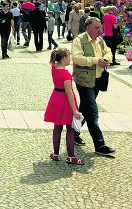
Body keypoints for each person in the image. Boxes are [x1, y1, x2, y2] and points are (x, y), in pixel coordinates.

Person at [71, 17, 116, 156]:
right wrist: (96, 60)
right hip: (84, 80)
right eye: (96, 28)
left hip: (97, 80)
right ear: (88, 28)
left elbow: (108, 51)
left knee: (84, 108)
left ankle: (73, 134)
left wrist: (107, 58)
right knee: (92, 112)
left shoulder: (100, 40)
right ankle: (99, 144)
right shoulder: (79, 40)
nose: (100, 30)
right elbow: (76, 58)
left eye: (100, 28)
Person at [44, 48, 84, 165]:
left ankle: (55, 154)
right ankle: (71, 156)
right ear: (63, 59)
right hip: (65, 102)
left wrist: (60, 51)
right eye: (69, 57)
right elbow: (69, 93)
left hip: (55, 98)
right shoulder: (66, 74)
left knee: (57, 127)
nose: (70, 59)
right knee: (70, 129)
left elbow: (53, 61)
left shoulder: (54, 68)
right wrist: (75, 110)